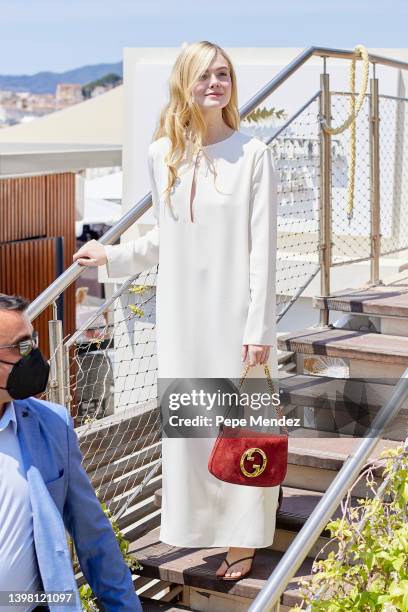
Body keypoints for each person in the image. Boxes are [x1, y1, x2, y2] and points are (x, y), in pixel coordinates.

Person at [73, 40, 280, 581]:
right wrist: (112, 255)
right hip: (183, 316)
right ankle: (196, 530)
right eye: (205, 75)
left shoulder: (253, 154)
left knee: (240, 428)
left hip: (236, 316)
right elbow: (164, 239)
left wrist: (259, 328)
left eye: (224, 74)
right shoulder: (162, 152)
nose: (216, 83)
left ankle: (242, 537)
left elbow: (264, 250)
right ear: (184, 83)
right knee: (192, 429)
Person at [0, 293, 142, 611]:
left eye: (33, 342)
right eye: (20, 347)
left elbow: (93, 534)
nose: (34, 357)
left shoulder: (51, 424)